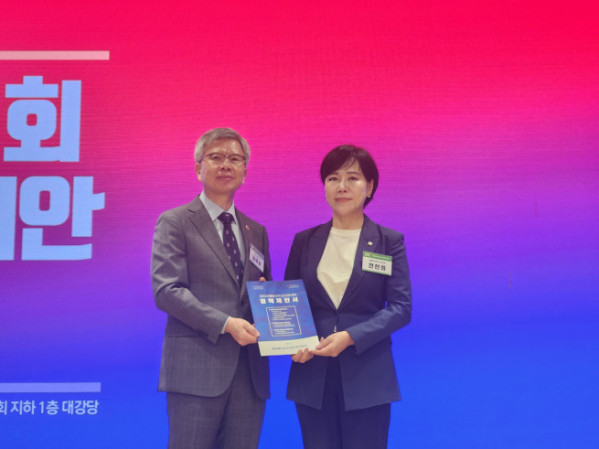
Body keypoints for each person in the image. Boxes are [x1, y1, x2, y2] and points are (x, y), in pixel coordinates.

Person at [285, 144, 412, 449]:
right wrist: (291, 342)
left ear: (370, 186)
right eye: (333, 178)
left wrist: (350, 336)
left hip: (367, 375)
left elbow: (401, 308)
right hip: (312, 375)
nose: (342, 186)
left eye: (352, 178)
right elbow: (292, 302)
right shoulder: (304, 241)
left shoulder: (388, 241)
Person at [151, 127, 271, 449]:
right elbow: (167, 291)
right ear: (198, 168)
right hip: (196, 371)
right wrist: (226, 324)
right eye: (216, 157)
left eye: (235, 159)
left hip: (249, 376)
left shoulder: (256, 231)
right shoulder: (175, 221)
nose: (226, 165)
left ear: (245, 171)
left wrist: (273, 310)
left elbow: (262, 293)